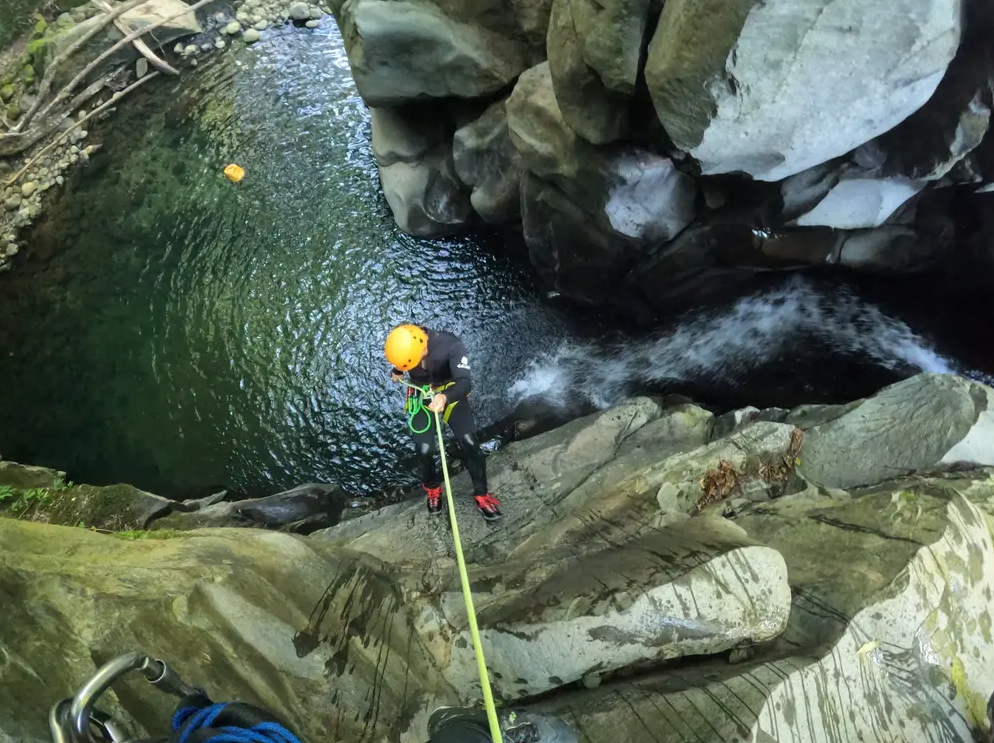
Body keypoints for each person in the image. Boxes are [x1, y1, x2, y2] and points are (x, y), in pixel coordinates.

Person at [385, 323, 502, 521]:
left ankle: (481, 494)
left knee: (470, 443)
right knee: (423, 450)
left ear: (423, 346)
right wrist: (398, 370)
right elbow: (402, 358)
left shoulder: (451, 345)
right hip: (421, 391)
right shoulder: (405, 343)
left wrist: (445, 397)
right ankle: (432, 487)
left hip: (450, 389)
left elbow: (465, 382)